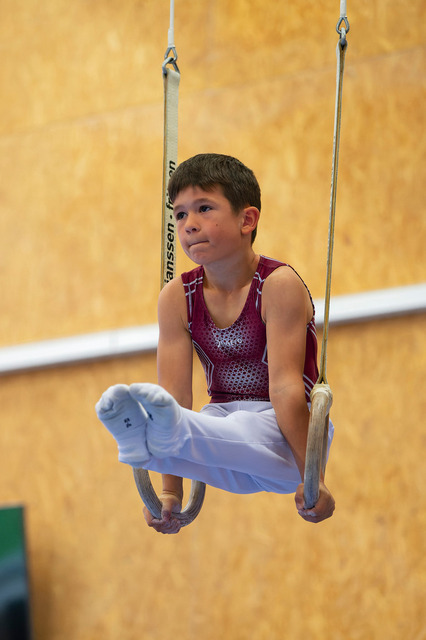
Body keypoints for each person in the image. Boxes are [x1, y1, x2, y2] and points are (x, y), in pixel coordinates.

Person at [96, 153, 335, 534]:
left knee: (223, 430)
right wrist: (170, 494)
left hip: (287, 436)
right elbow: (175, 395)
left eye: (204, 209)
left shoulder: (278, 285)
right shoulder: (176, 297)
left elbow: (286, 388)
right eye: (180, 214)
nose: (189, 224)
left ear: (247, 220)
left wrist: (314, 478)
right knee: (200, 428)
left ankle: (161, 440)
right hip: (221, 431)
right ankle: (147, 444)